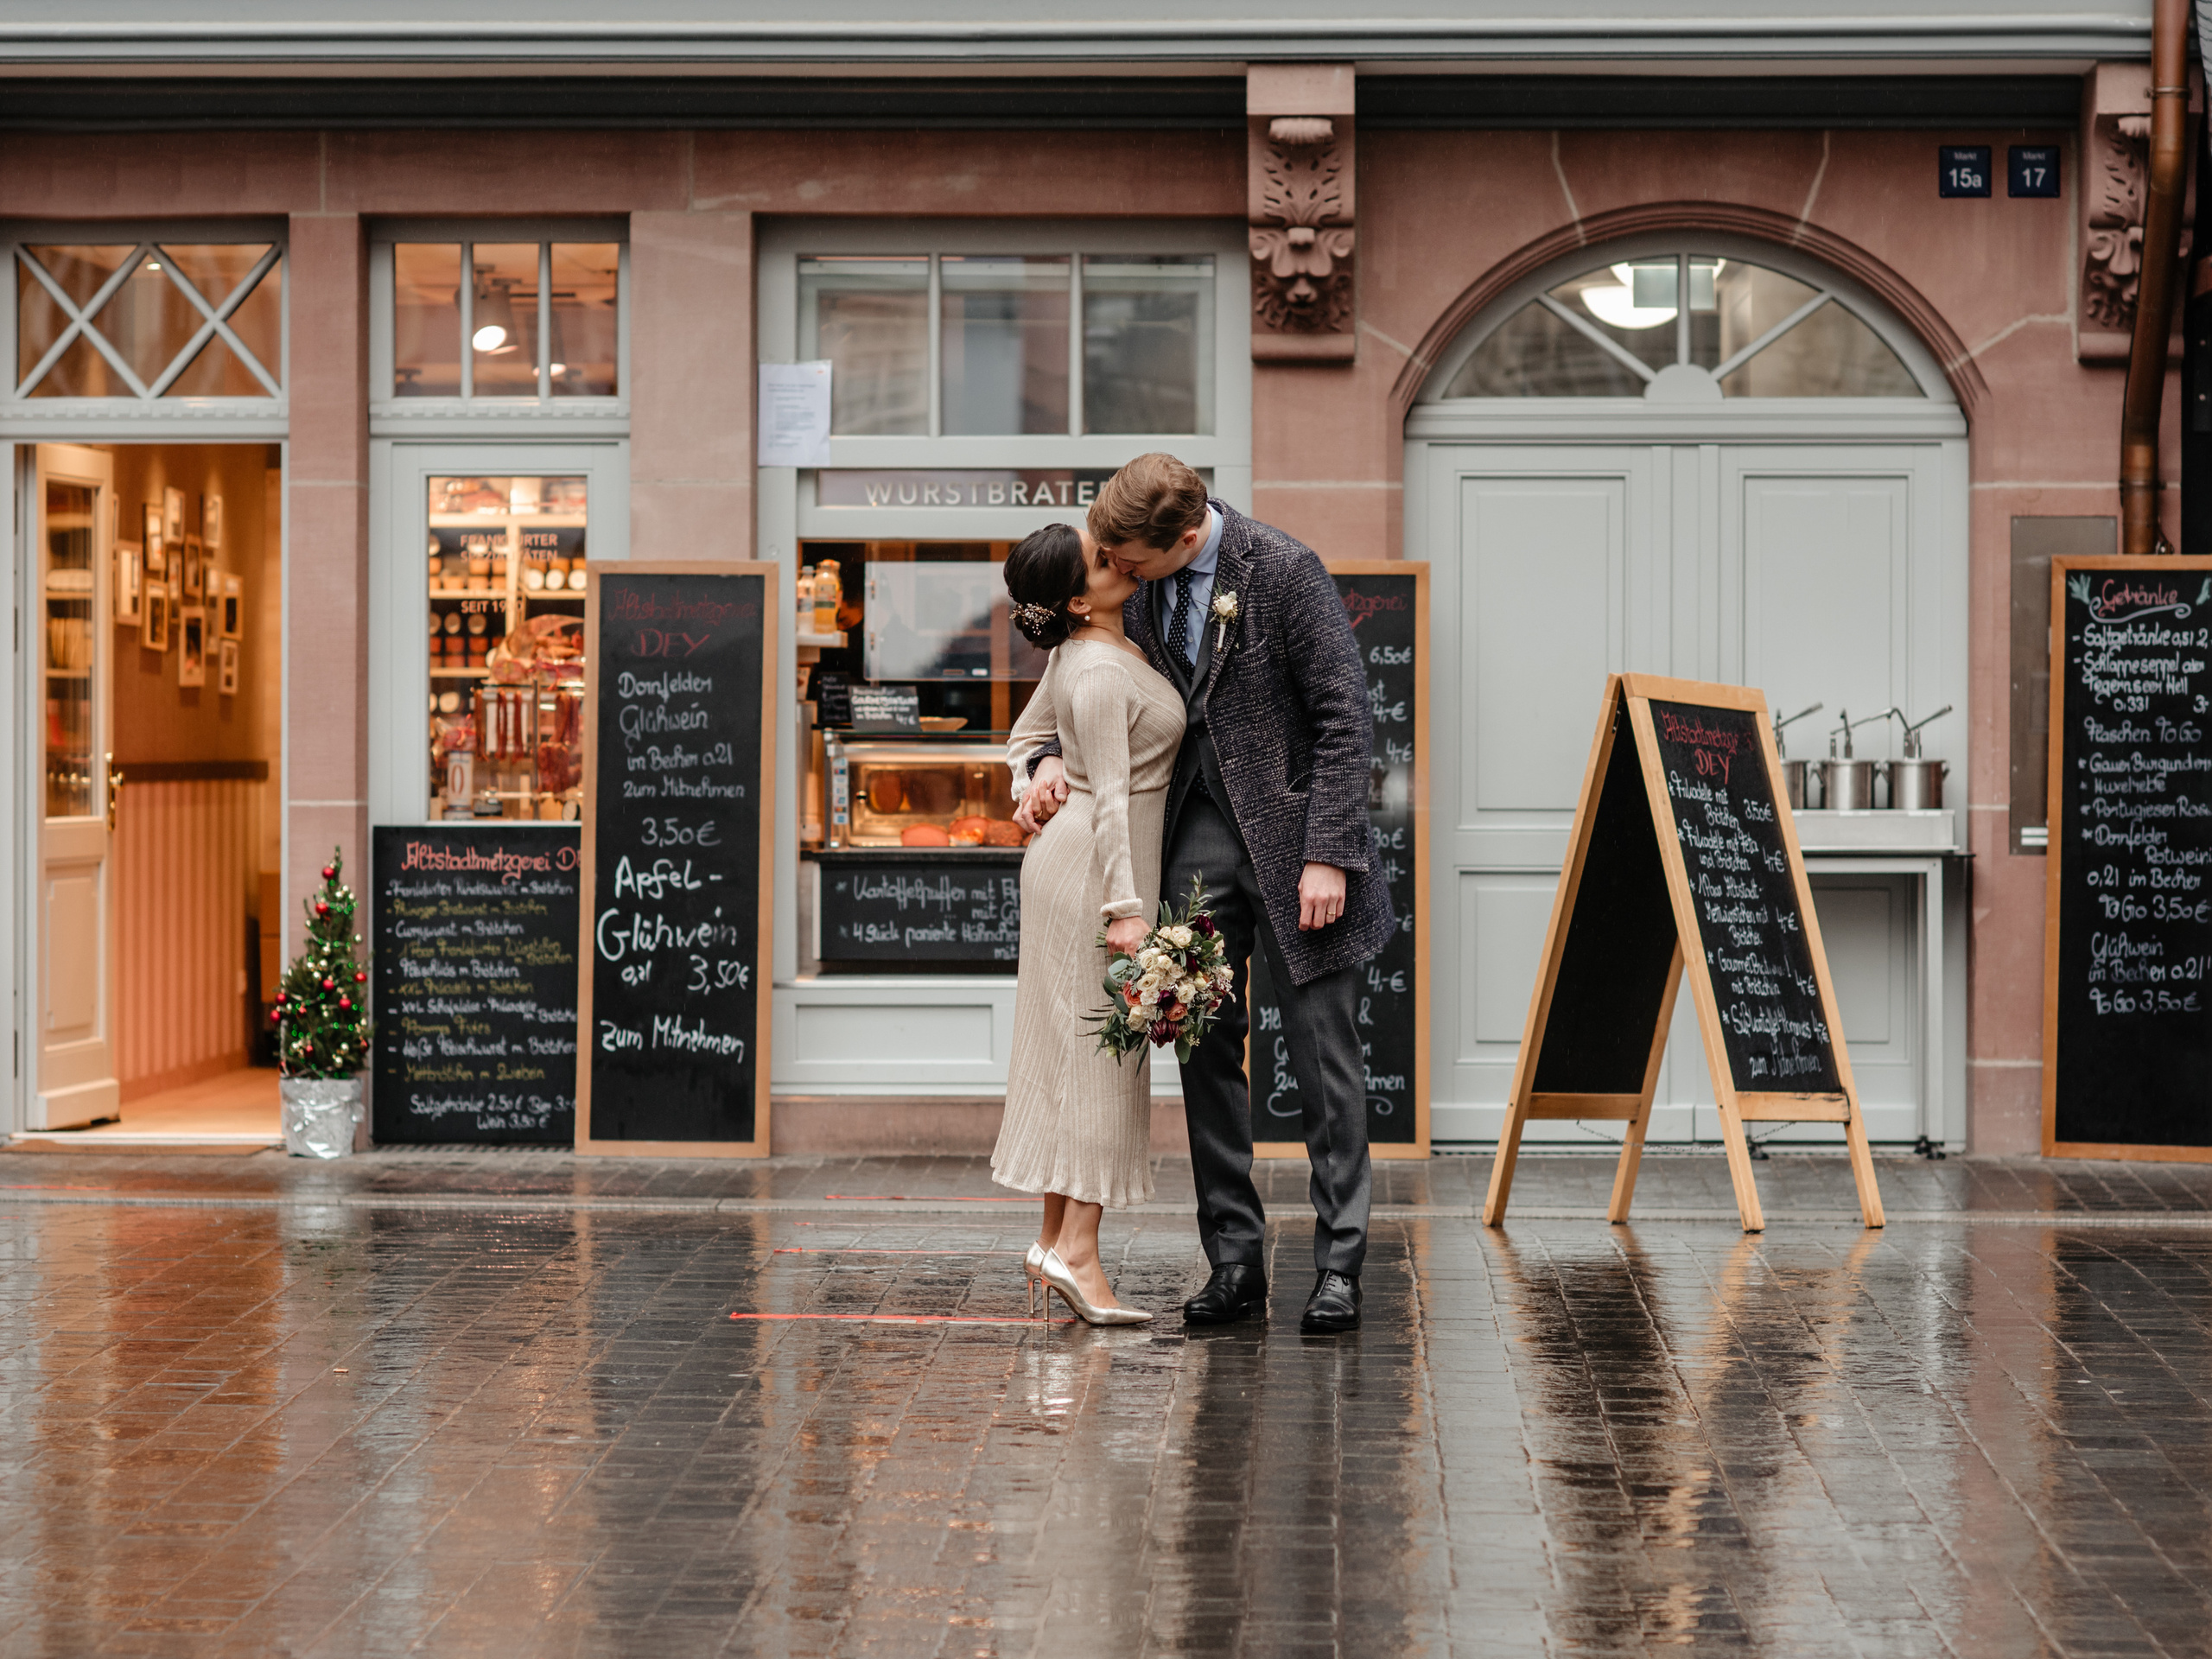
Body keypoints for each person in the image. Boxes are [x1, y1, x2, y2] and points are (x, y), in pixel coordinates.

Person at [1014, 454, 1393, 1335]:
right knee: (1204, 1053)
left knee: (1322, 1058)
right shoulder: (1135, 582)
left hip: (1301, 853)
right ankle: (1233, 1262)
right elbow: (1059, 705)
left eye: (1130, 557)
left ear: (1185, 539)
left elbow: (1345, 715)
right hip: (1191, 847)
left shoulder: (1285, 571)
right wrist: (1040, 768)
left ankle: (1338, 1266)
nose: (1117, 569)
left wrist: (1329, 854)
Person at [993, 522, 1187, 1325]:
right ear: (1077, 598)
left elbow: (1024, 738)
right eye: (1099, 556)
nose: (1115, 553)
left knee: (1070, 1058)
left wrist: (1036, 775)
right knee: (1102, 1066)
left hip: (1072, 866)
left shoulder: (1082, 651)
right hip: (1095, 878)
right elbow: (1109, 798)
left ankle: (1051, 1241)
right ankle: (1079, 1255)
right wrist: (1128, 916)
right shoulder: (1099, 667)